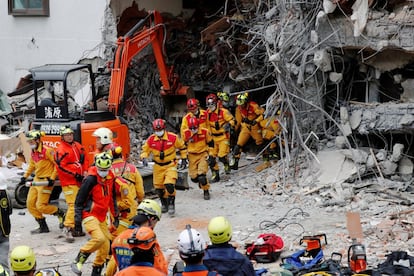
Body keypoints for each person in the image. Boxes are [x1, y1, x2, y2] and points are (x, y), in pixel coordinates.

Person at [71, 152, 119, 276]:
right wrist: (77, 222)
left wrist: (116, 216)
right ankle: (78, 260)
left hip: (102, 216)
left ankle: (96, 271)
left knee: (105, 245)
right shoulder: (90, 179)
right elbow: (78, 201)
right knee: (99, 238)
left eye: (106, 169)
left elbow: (112, 198)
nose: (103, 171)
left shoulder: (110, 177)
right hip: (89, 214)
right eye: (101, 169)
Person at [18, 130, 65, 234]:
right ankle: (43, 226)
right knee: (30, 204)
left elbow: (57, 165)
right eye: (29, 142)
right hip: (37, 180)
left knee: (41, 206)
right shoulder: (33, 152)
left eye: (32, 141)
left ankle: (60, 213)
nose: (30, 144)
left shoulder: (47, 151)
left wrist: (52, 178)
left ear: (38, 140)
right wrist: (25, 177)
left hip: (46, 182)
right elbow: (32, 165)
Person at [140, 118, 187, 215]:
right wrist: (144, 157)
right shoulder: (151, 140)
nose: (158, 132)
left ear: (164, 128)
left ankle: (171, 204)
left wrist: (184, 158)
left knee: (169, 184)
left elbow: (182, 147)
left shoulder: (173, 138)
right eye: (156, 130)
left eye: (160, 130)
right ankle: (164, 204)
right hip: (158, 166)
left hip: (170, 164)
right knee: (159, 188)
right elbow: (145, 151)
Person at [108, 199, 167, 276]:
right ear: (152, 219)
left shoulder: (118, 239)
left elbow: (112, 266)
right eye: (156, 222)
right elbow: (161, 268)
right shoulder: (147, 240)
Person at [54, 125, 89, 242]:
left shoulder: (77, 146)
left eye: (71, 134)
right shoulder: (61, 150)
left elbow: (85, 158)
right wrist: (75, 174)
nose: (69, 137)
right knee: (73, 205)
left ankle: (74, 228)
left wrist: (85, 171)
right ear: (62, 137)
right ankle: (67, 228)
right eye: (67, 135)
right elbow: (61, 167)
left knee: (79, 204)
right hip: (69, 181)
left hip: (78, 180)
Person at [205, 94, 235, 182]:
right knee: (211, 158)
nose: (211, 107)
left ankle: (226, 164)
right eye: (209, 105)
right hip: (213, 138)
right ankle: (215, 174)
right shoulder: (207, 113)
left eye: (212, 104)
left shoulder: (223, 112)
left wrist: (229, 124)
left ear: (216, 103)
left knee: (221, 156)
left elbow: (233, 120)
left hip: (223, 137)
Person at [182, 117, 214, 200]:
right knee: (193, 178)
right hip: (192, 156)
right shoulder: (185, 133)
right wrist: (184, 158)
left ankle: (206, 190)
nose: (193, 130)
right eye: (191, 128)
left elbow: (211, 144)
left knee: (202, 175)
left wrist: (211, 155)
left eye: (195, 128)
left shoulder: (205, 132)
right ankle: (200, 182)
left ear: (198, 126)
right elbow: (183, 146)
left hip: (203, 155)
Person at [231, 93, 265, 170]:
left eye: (242, 104)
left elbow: (263, 114)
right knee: (238, 145)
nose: (240, 106)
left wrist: (255, 121)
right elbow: (238, 120)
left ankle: (266, 158)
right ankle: (235, 162)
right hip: (245, 127)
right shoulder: (238, 108)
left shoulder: (253, 106)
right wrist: (234, 130)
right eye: (239, 104)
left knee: (260, 142)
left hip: (254, 127)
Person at [0, 183, 12, 276]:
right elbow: (10, 210)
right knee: (3, 261)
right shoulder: (6, 194)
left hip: (4, 233)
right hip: (4, 231)